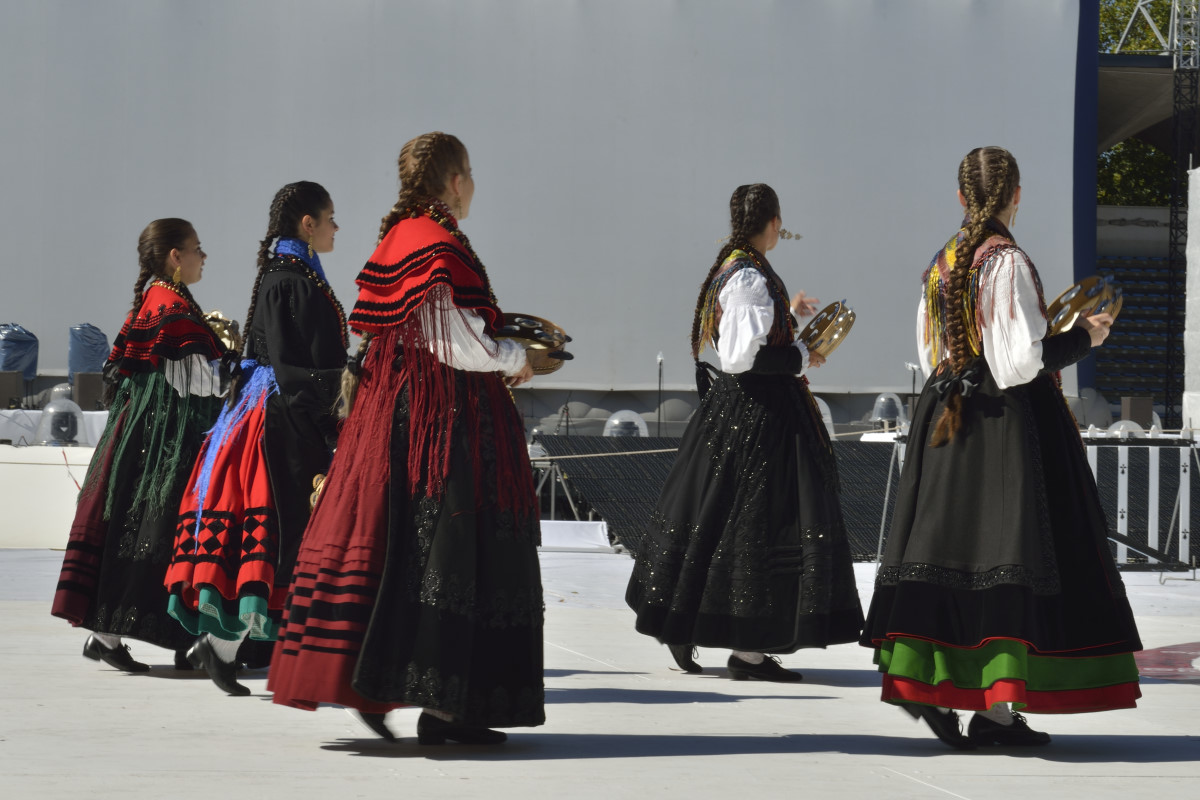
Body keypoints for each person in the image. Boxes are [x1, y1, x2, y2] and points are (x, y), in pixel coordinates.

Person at [860, 147, 1142, 749]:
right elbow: (1018, 364)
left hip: (947, 419)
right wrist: (1082, 338)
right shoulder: (1005, 259)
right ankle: (995, 712)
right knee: (1011, 556)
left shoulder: (944, 261)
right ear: (1016, 193)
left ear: (962, 197)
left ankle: (929, 688)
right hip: (1004, 423)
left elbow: (933, 346)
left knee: (945, 553)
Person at [267, 132, 544, 744]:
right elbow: (453, 341)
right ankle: (445, 710)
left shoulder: (403, 234)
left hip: (397, 418)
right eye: (468, 171)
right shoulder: (432, 240)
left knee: (395, 543)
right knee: (446, 546)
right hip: (439, 423)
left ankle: (385, 685)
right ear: (451, 180)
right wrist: (514, 356)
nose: (473, 183)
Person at [625, 184, 864, 681]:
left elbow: (746, 336)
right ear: (772, 222)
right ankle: (746, 650)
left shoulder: (735, 266)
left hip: (740, 414)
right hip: (760, 416)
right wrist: (801, 355)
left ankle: (691, 625)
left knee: (718, 515)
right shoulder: (750, 276)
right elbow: (739, 357)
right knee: (760, 521)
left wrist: (789, 315)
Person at [165, 181, 348, 695]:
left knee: (288, 541)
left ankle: (231, 649)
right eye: (331, 217)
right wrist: (328, 408)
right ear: (307, 224)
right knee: (288, 537)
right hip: (283, 421)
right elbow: (295, 363)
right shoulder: (290, 278)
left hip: (284, 413)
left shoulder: (292, 274)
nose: (337, 227)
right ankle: (243, 651)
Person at [52, 219, 228, 671]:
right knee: (152, 534)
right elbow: (199, 382)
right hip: (162, 448)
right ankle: (112, 637)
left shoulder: (158, 301)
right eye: (196, 248)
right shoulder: (170, 308)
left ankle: (151, 640)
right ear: (175, 256)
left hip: (145, 443)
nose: (203, 256)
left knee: (152, 535)